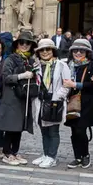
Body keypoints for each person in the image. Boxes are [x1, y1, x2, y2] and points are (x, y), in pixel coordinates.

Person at [0, 30, 37, 166]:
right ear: (17, 44)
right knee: (10, 126)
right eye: (22, 42)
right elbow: (6, 77)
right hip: (12, 97)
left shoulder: (30, 60)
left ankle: (15, 151)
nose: (24, 45)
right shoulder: (10, 59)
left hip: (24, 98)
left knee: (19, 127)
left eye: (27, 43)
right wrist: (21, 76)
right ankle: (7, 153)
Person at [31, 38, 71, 168]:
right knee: (44, 131)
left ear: (53, 50)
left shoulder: (61, 65)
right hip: (40, 102)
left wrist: (57, 96)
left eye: (48, 49)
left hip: (54, 103)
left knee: (53, 131)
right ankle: (46, 153)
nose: (45, 52)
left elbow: (67, 84)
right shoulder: (36, 66)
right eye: (42, 50)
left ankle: (52, 156)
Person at [63, 39, 93, 169]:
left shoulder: (92, 66)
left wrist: (76, 84)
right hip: (72, 101)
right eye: (75, 50)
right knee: (74, 130)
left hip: (87, 103)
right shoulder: (68, 65)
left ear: (87, 52)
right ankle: (77, 156)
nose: (78, 53)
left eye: (82, 51)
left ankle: (85, 155)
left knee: (80, 130)